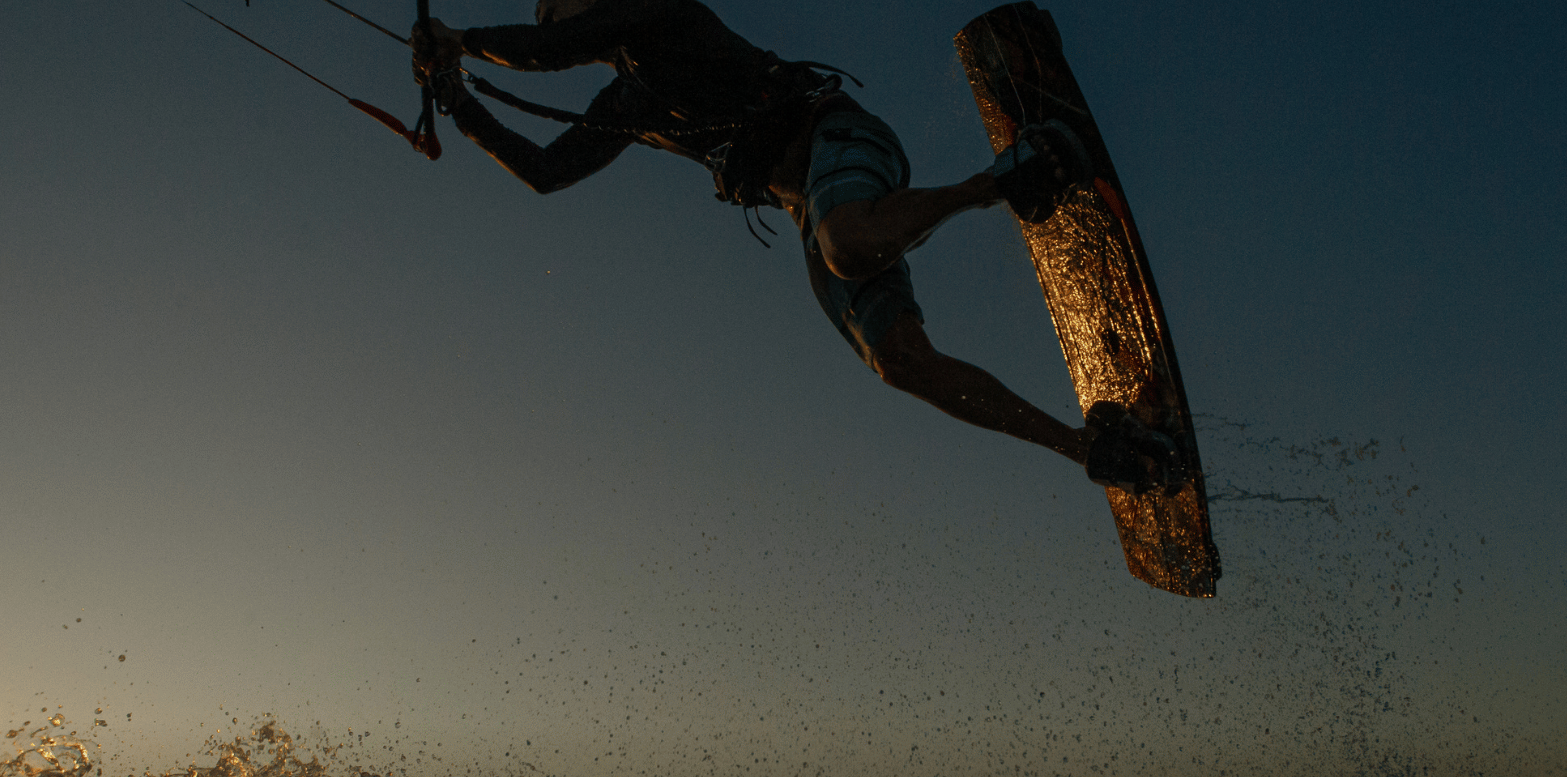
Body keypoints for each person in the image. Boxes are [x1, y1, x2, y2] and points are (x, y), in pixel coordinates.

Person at [415, 0, 1179, 490]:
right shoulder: (627, 103)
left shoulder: (658, 13)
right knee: (899, 363)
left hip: (835, 136)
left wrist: (463, 40)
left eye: (562, 11)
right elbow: (548, 172)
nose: (556, 26)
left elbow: (561, 47)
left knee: (848, 244)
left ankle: (1007, 180)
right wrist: (459, 104)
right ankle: (1091, 448)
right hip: (803, 206)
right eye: (548, 18)